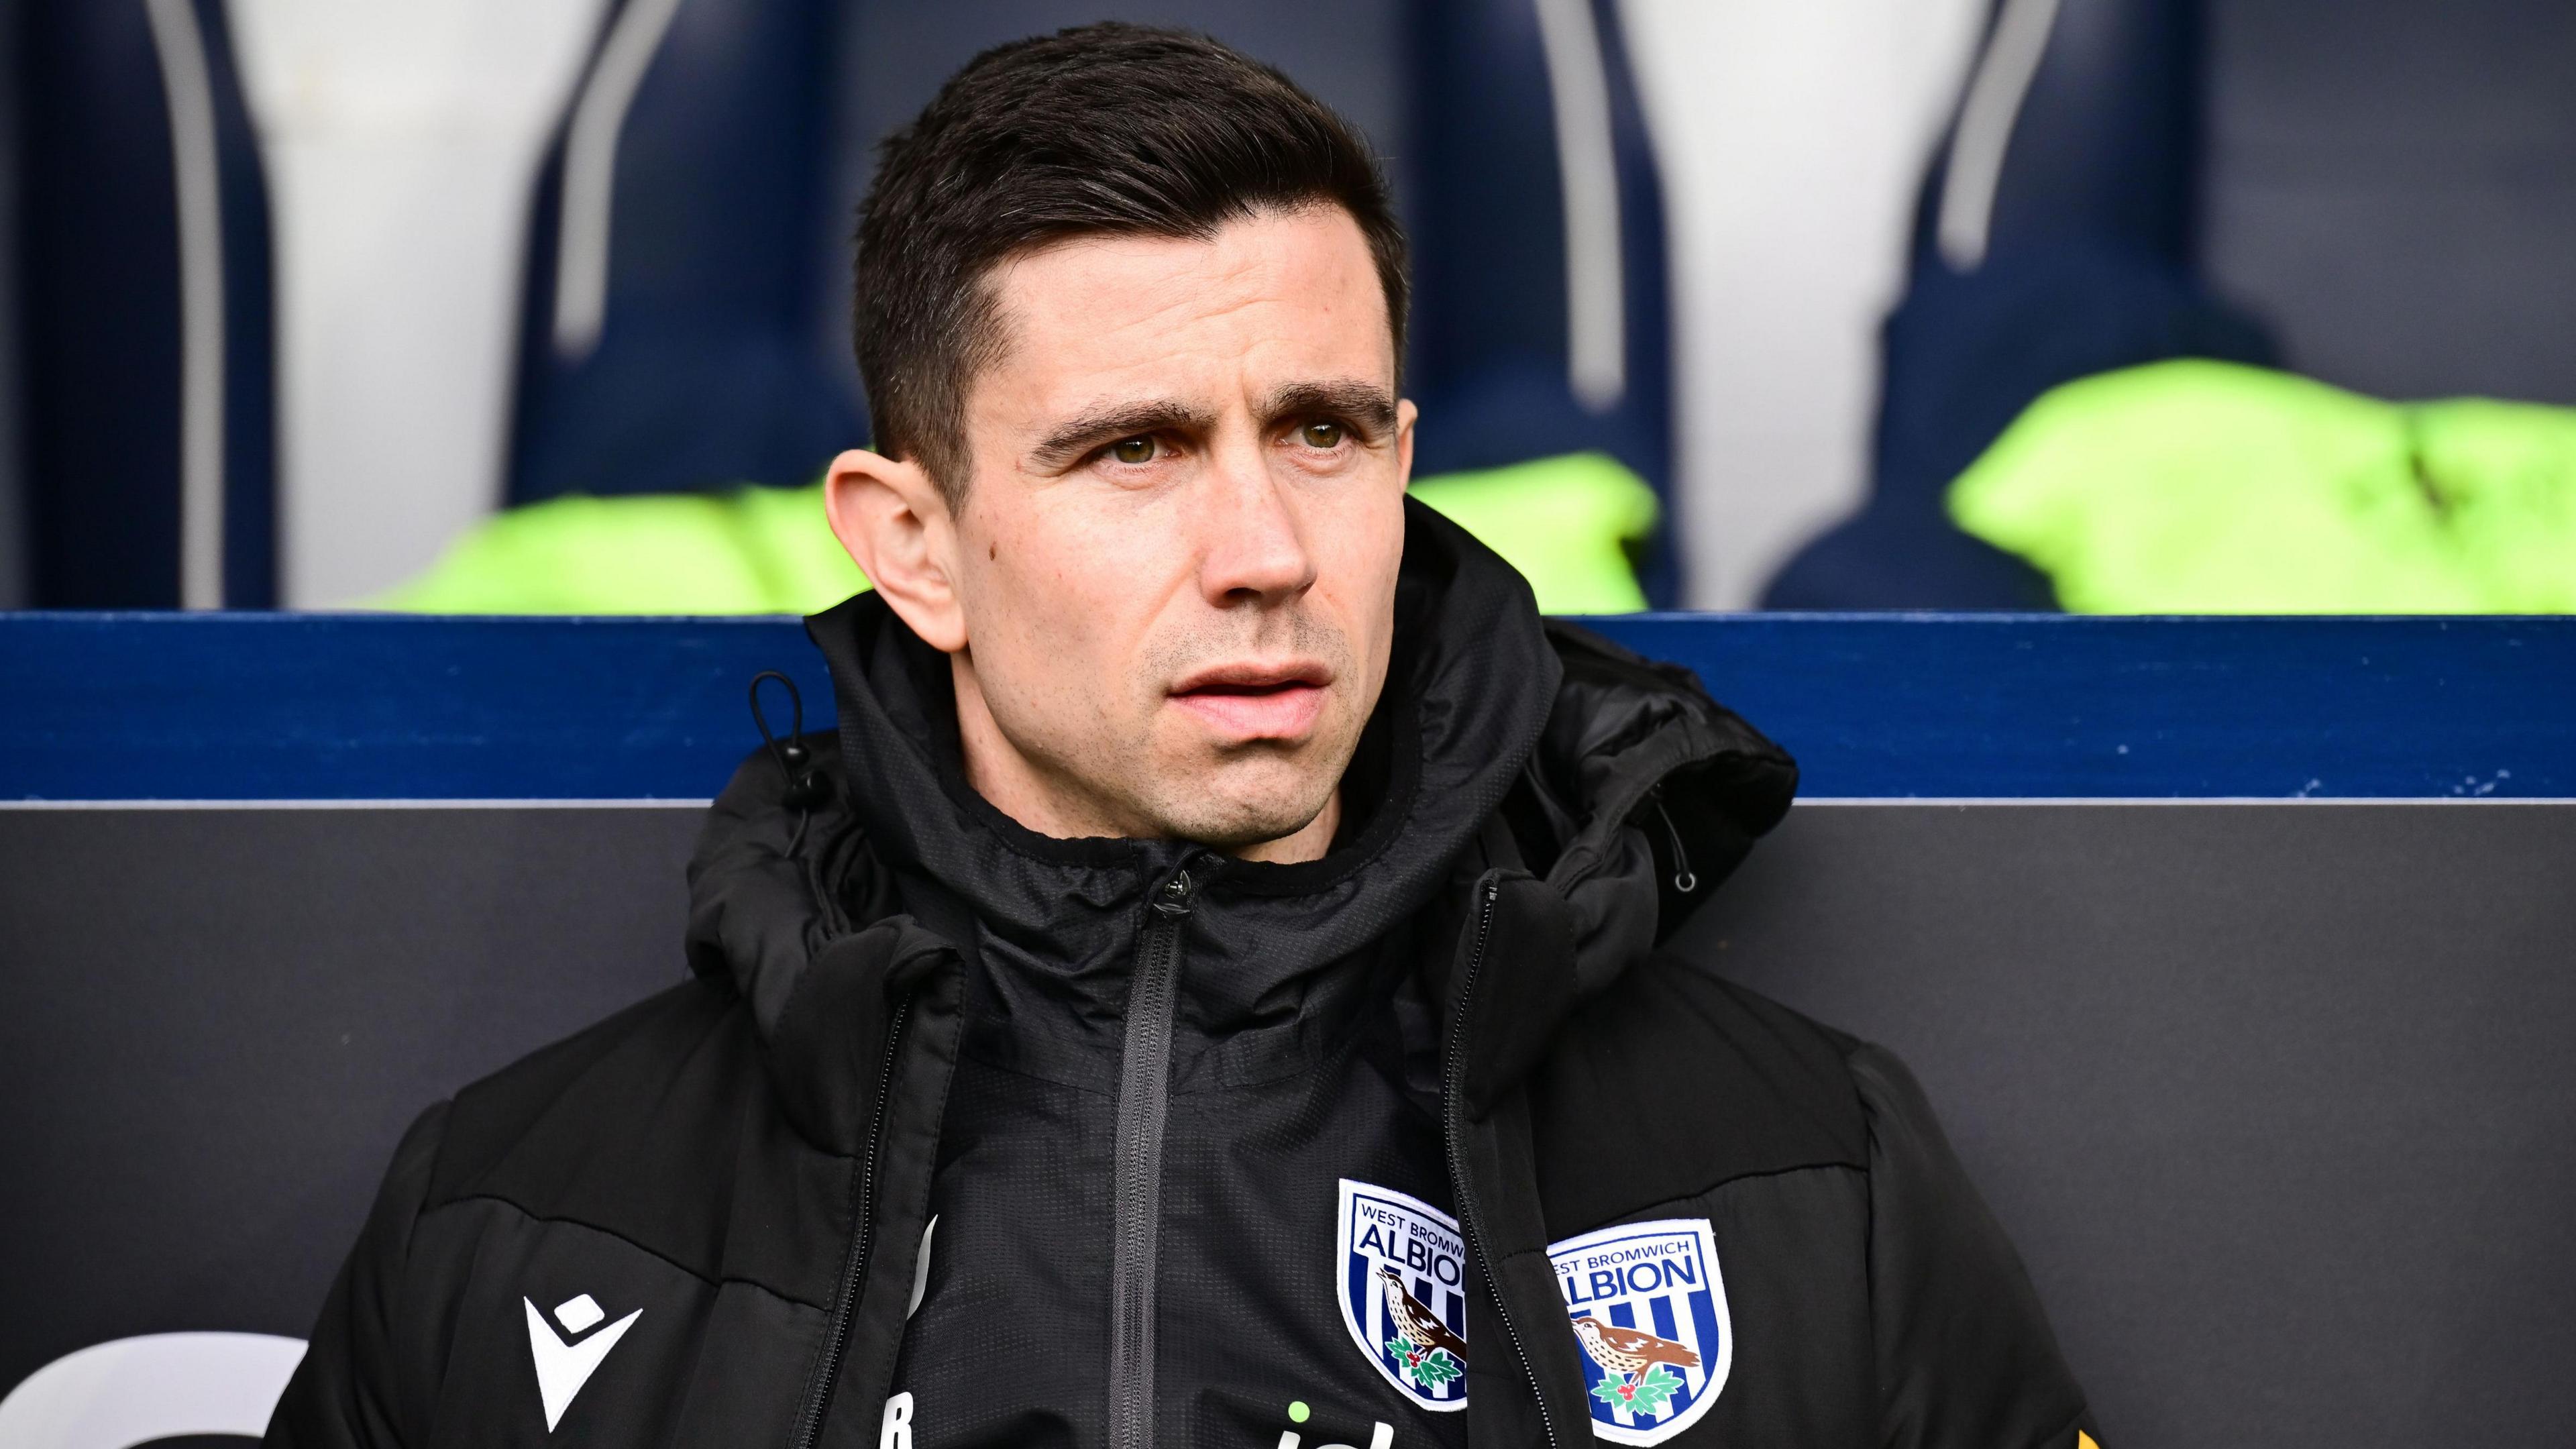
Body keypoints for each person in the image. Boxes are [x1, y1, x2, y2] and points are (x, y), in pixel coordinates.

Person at [268, 23, 2095, 1449]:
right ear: (916, 547)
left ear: (1402, 462)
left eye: (1322, 433)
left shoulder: (1810, 1179)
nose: (1265, 554)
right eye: (1133, 450)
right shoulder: (517, 1219)